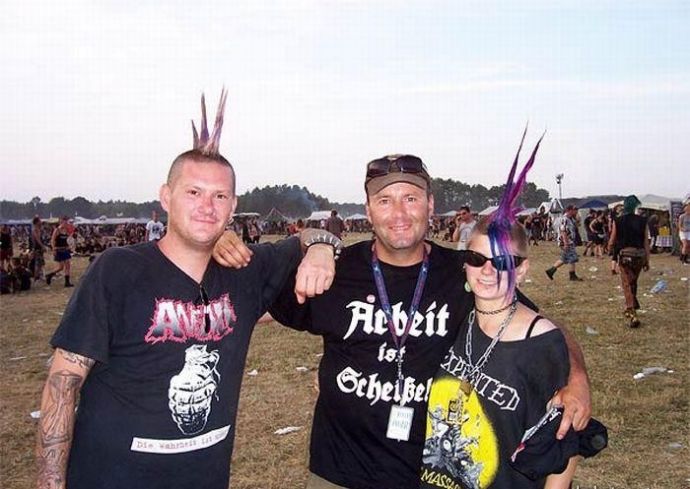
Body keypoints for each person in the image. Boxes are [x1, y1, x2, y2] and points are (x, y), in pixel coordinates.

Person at [214, 153, 591, 489]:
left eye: (410, 198)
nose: (398, 213)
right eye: (385, 200)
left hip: (429, 475)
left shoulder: (466, 272)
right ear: (368, 209)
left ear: (430, 205)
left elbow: (542, 327)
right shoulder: (336, 271)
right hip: (338, 473)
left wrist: (577, 381)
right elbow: (241, 299)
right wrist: (216, 245)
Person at [35, 90, 340, 489]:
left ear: (233, 206)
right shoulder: (118, 270)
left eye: (219, 196)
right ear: (166, 197)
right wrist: (50, 482)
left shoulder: (245, 270)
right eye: (193, 192)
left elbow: (312, 234)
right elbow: (63, 382)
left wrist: (321, 248)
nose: (206, 207)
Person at [420, 133, 578, 489]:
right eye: (477, 259)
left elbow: (563, 445)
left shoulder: (542, 341)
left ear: (522, 270)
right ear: (465, 263)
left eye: (503, 261)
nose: (487, 271)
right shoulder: (456, 318)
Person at [608, 195, 650, 328]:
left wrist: (610, 250)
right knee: (633, 282)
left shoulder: (618, 220)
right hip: (639, 255)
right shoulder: (643, 221)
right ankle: (633, 304)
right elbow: (646, 242)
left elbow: (612, 240)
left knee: (626, 283)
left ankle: (632, 313)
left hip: (626, 255)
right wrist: (647, 260)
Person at [545, 205, 583, 281]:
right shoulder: (564, 219)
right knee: (573, 258)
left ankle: (551, 271)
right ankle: (572, 275)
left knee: (564, 259)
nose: (576, 212)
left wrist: (577, 219)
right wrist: (566, 243)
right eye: (574, 210)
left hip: (569, 241)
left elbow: (577, 225)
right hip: (566, 241)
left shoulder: (570, 219)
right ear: (570, 210)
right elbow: (563, 231)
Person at [45, 216, 74, 287]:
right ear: (61, 222)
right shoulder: (57, 230)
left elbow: (67, 239)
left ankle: (67, 282)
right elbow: (52, 240)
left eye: (67, 222)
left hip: (65, 249)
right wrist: (54, 249)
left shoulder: (66, 230)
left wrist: (69, 245)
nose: (66, 223)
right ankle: (49, 275)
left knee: (67, 265)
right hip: (58, 250)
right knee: (61, 267)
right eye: (65, 222)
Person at [30, 216, 46, 281]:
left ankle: (39, 275)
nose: (41, 221)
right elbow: (37, 239)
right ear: (36, 222)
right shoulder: (35, 230)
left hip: (39, 248)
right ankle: (36, 277)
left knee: (40, 263)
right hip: (37, 248)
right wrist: (42, 246)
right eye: (39, 220)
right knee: (38, 263)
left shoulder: (39, 229)